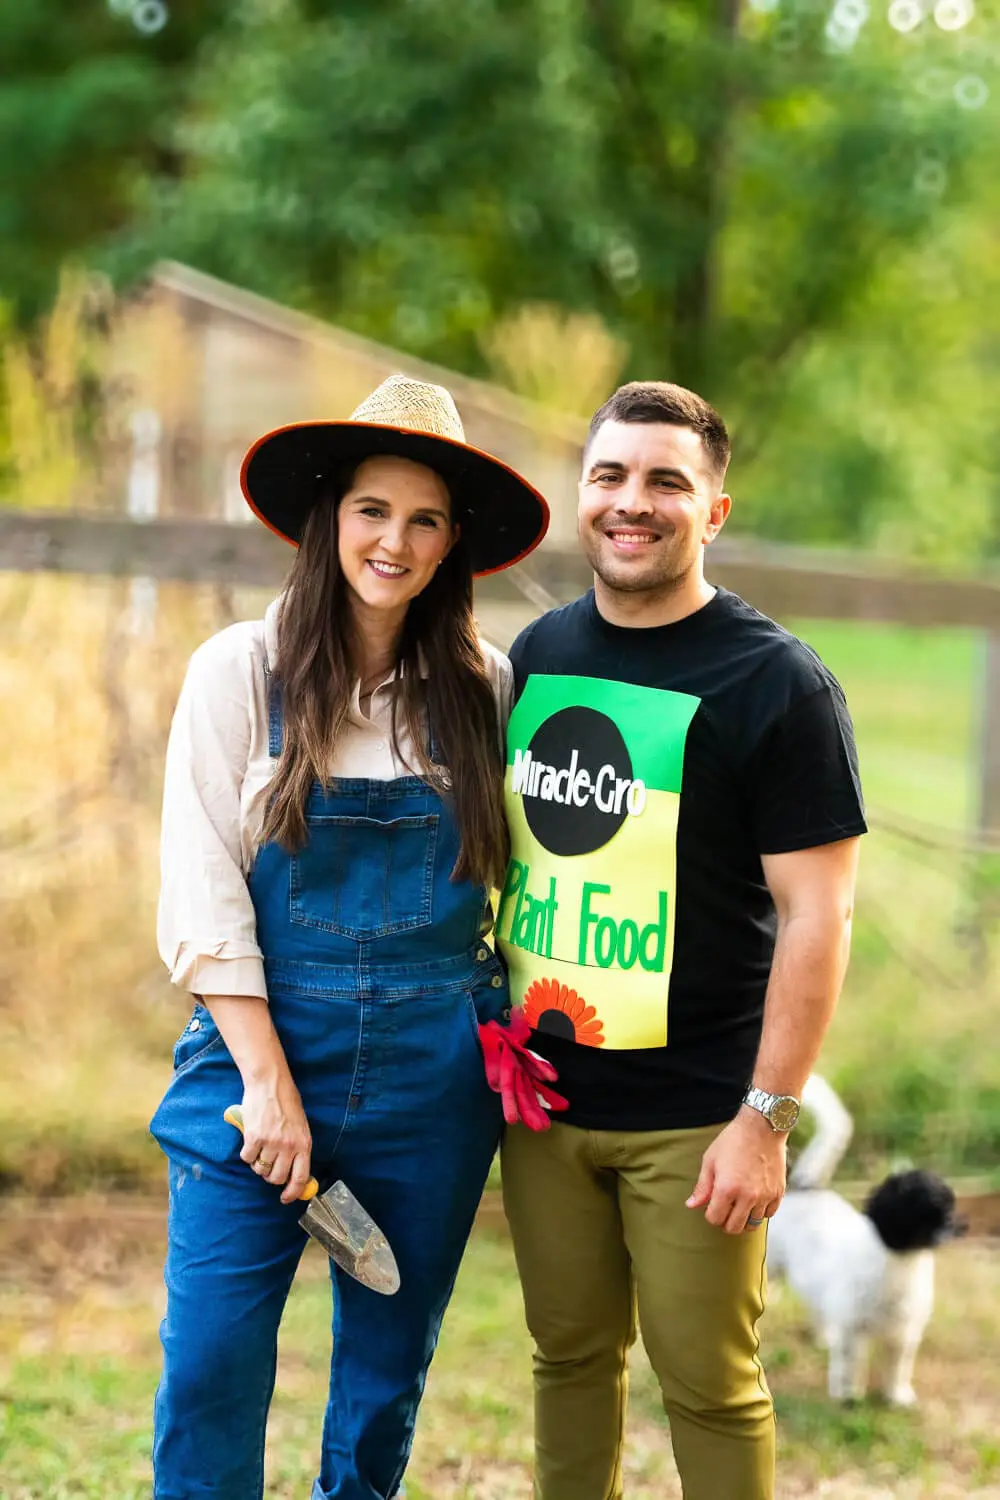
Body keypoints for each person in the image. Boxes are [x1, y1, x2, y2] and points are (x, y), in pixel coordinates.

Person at [150, 373, 549, 1500]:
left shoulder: (484, 687)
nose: (396, 541)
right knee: (212, 1364)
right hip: (258, 1059)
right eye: (375, 510)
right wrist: (269, 1085)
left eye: (425, 520)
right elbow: (201, 894)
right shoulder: (241, 669)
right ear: (330, 515)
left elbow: (520, 884)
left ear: (454, 543)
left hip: (435, 1074)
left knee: (383, 1384)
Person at [495, 381, 867, 1500]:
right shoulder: (537, 654)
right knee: (566, 1363)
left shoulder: (777, 684)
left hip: (700, 1117)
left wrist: (766, 1119)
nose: (631, 502)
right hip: (546, 1103)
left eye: (666, 481)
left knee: (708, 1384)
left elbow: (819, 915)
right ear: (582, 495)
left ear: (713, 511)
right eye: (609, 476)